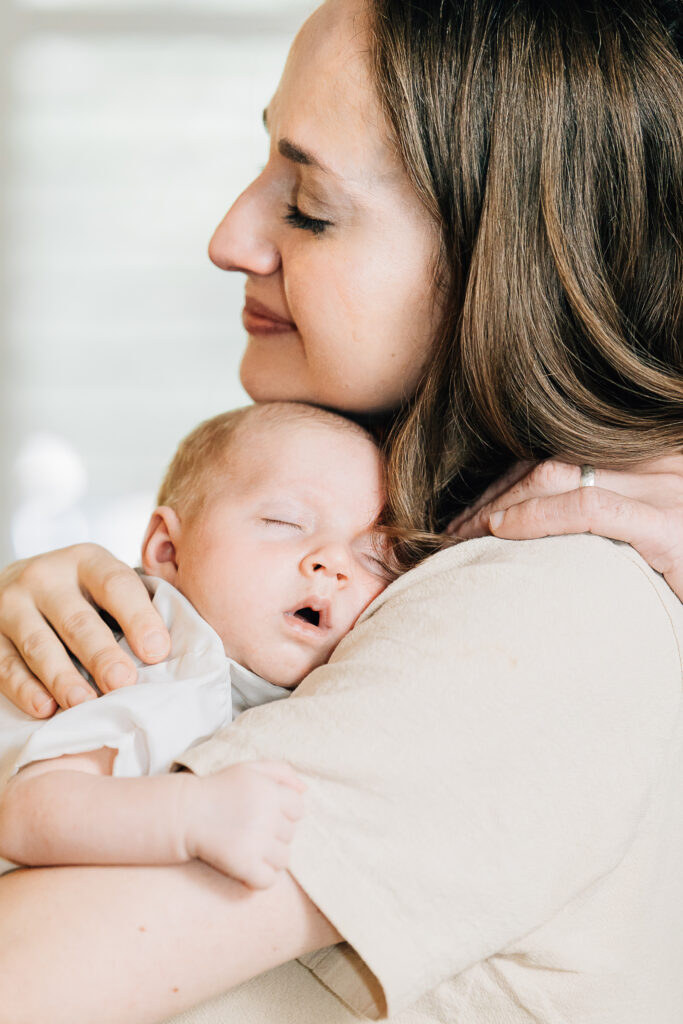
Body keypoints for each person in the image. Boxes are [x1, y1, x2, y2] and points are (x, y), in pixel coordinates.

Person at [0, 1, 682, 1022]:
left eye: (308, 204)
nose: (229, 237)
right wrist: (68, 657)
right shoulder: (401, 568)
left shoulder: (552, 602)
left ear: (502, 269)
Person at [0, 401, 391, 883]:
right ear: (168, 549)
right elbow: (28, 814)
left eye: (374, 558)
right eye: (285, 522)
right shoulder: (159, 656)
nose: (333, 562)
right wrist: (194, 815)